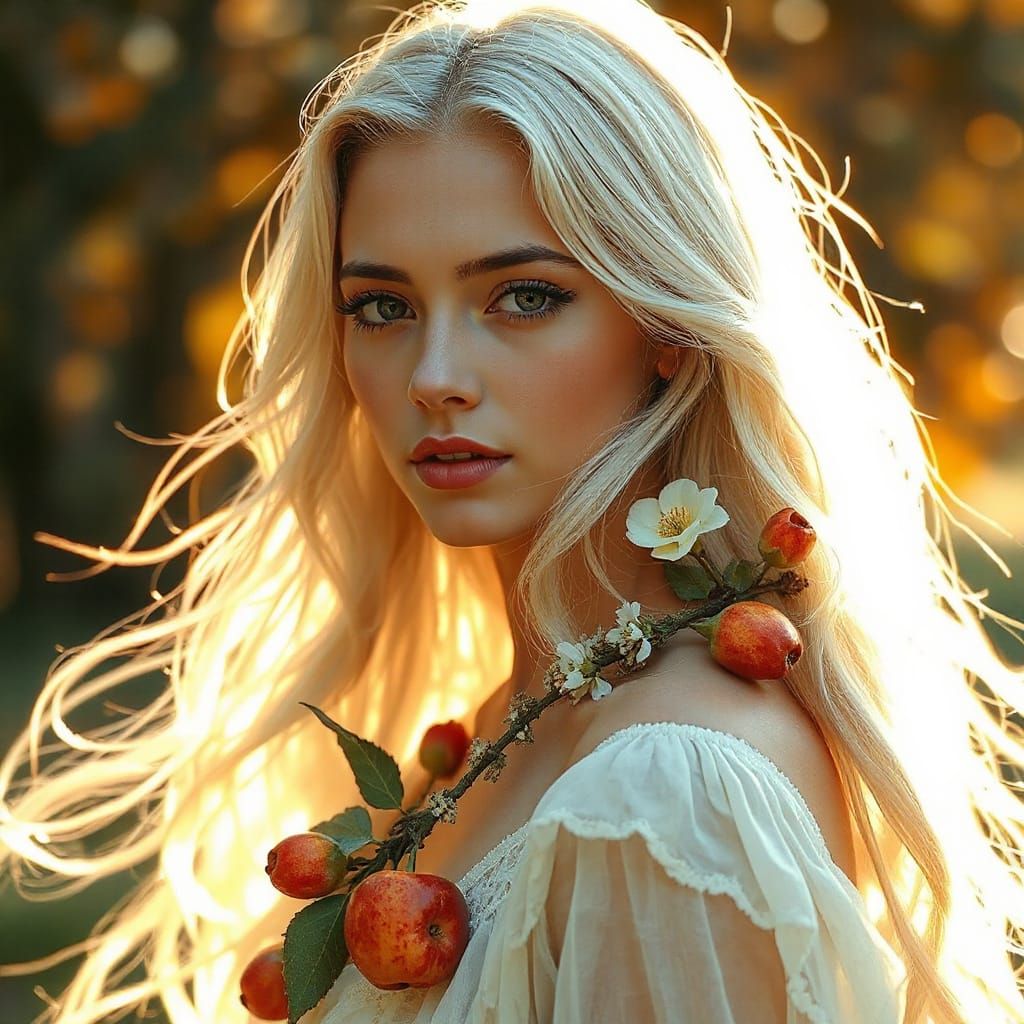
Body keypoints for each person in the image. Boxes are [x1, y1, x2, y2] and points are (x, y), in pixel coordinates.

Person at [2, 0, 1023, 1021]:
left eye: (524, 295)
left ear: (666, 322)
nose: (434, 377)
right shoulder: (500, 731)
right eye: (383, 307)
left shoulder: (669, 789)